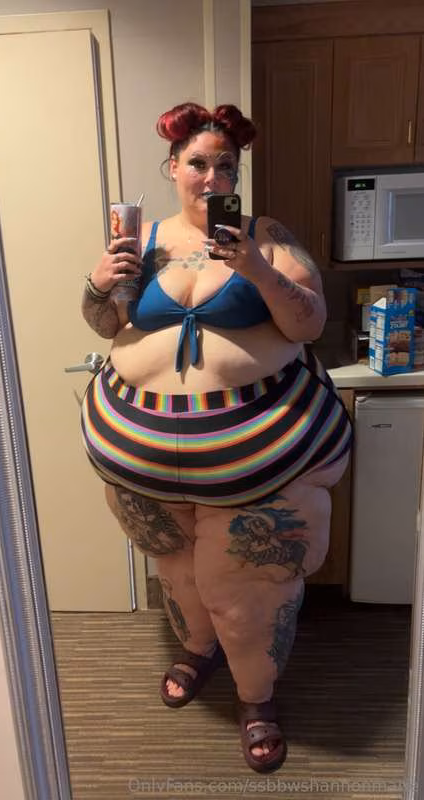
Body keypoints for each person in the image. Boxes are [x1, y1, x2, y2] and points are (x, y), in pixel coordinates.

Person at [80, 102, 352, 773]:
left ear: (236, 175)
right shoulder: (142, 239)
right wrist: (98, 285)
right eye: (197, 163)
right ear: (173, 168)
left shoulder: (267, 236)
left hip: (260, 457)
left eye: (225, 165)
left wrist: (256, 269)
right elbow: (107, 325)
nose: (211, 176)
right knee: (179, 572)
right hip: (141, 458)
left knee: (246, 593)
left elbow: (309, 324)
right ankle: (198, 652)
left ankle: (256, 699)